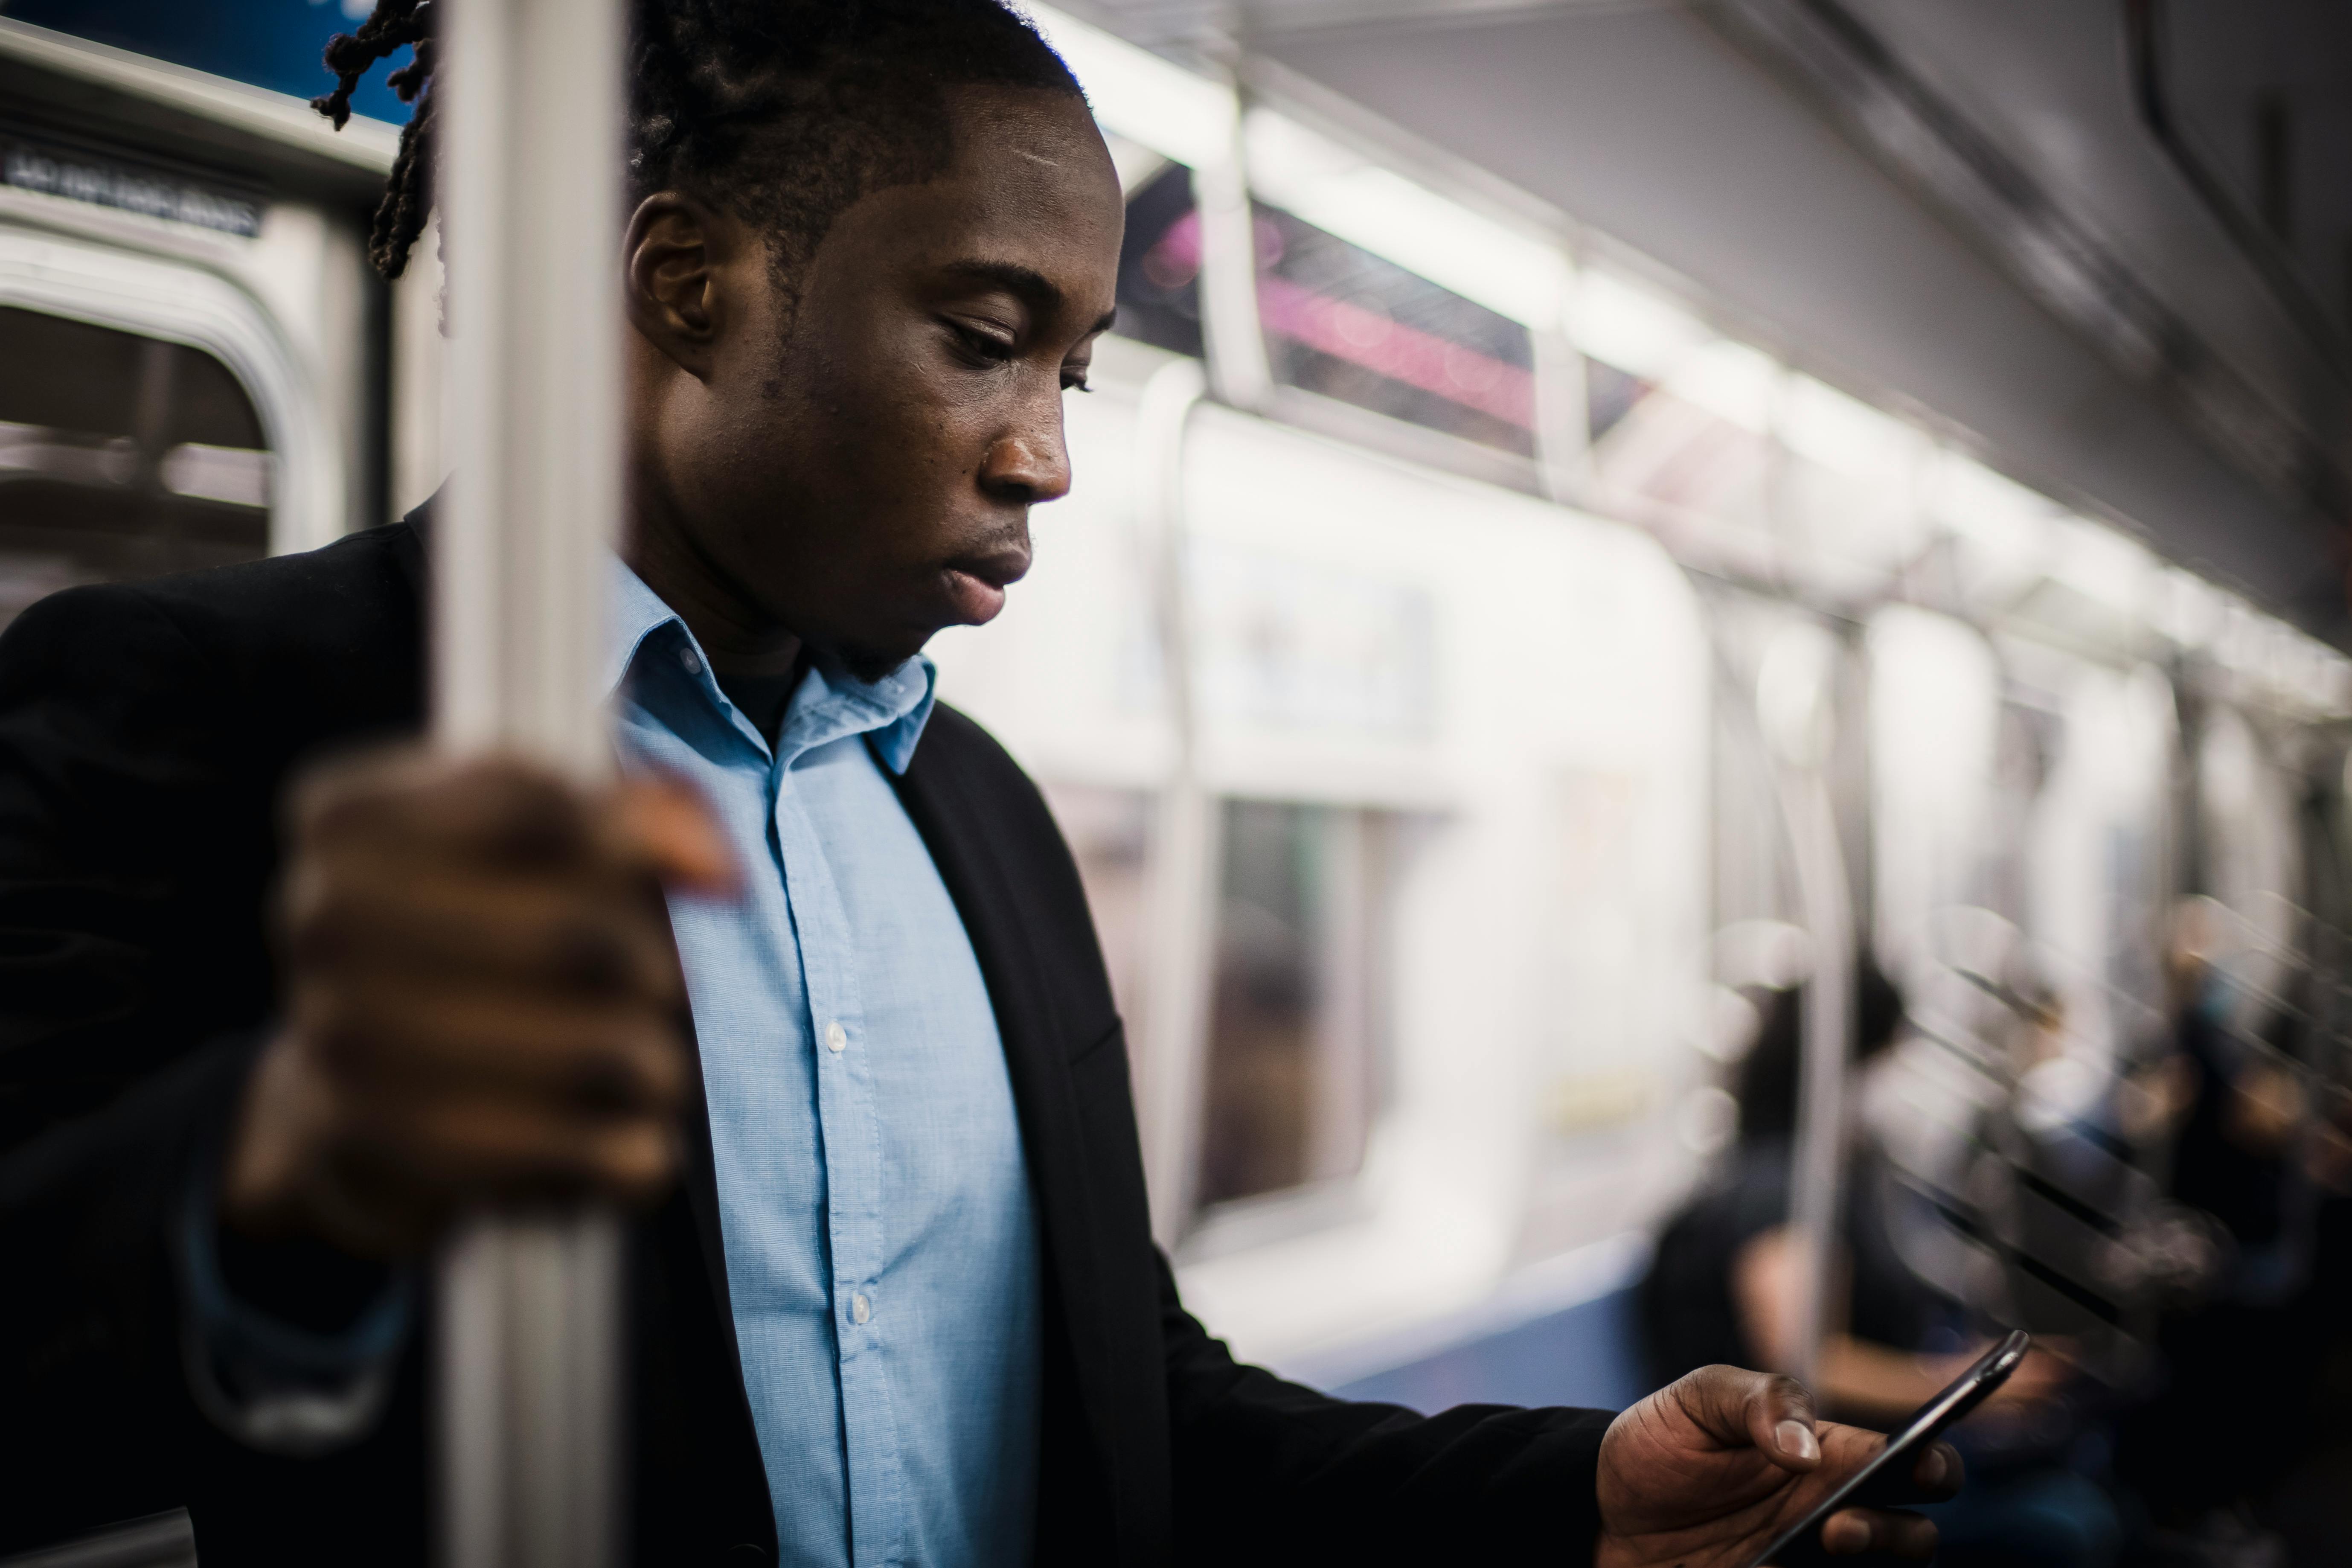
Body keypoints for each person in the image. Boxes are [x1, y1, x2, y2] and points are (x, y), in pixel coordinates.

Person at [0, 4, 1959, 1564]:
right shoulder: (214, 712)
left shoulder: (985, 822)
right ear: (688, 284)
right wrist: (280, 1166)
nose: (1043, 457)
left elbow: (1126, 1412)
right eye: (979, 340)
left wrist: (1562, 1495)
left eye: (1071, 372)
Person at [1642, 957, 2115, 1568]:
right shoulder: (1778, 1192)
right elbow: (1804, 1361)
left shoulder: (1823, 1176)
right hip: (1786, 1485)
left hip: (1846, 1455)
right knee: (2069, 1521)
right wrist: (1955, 1384)